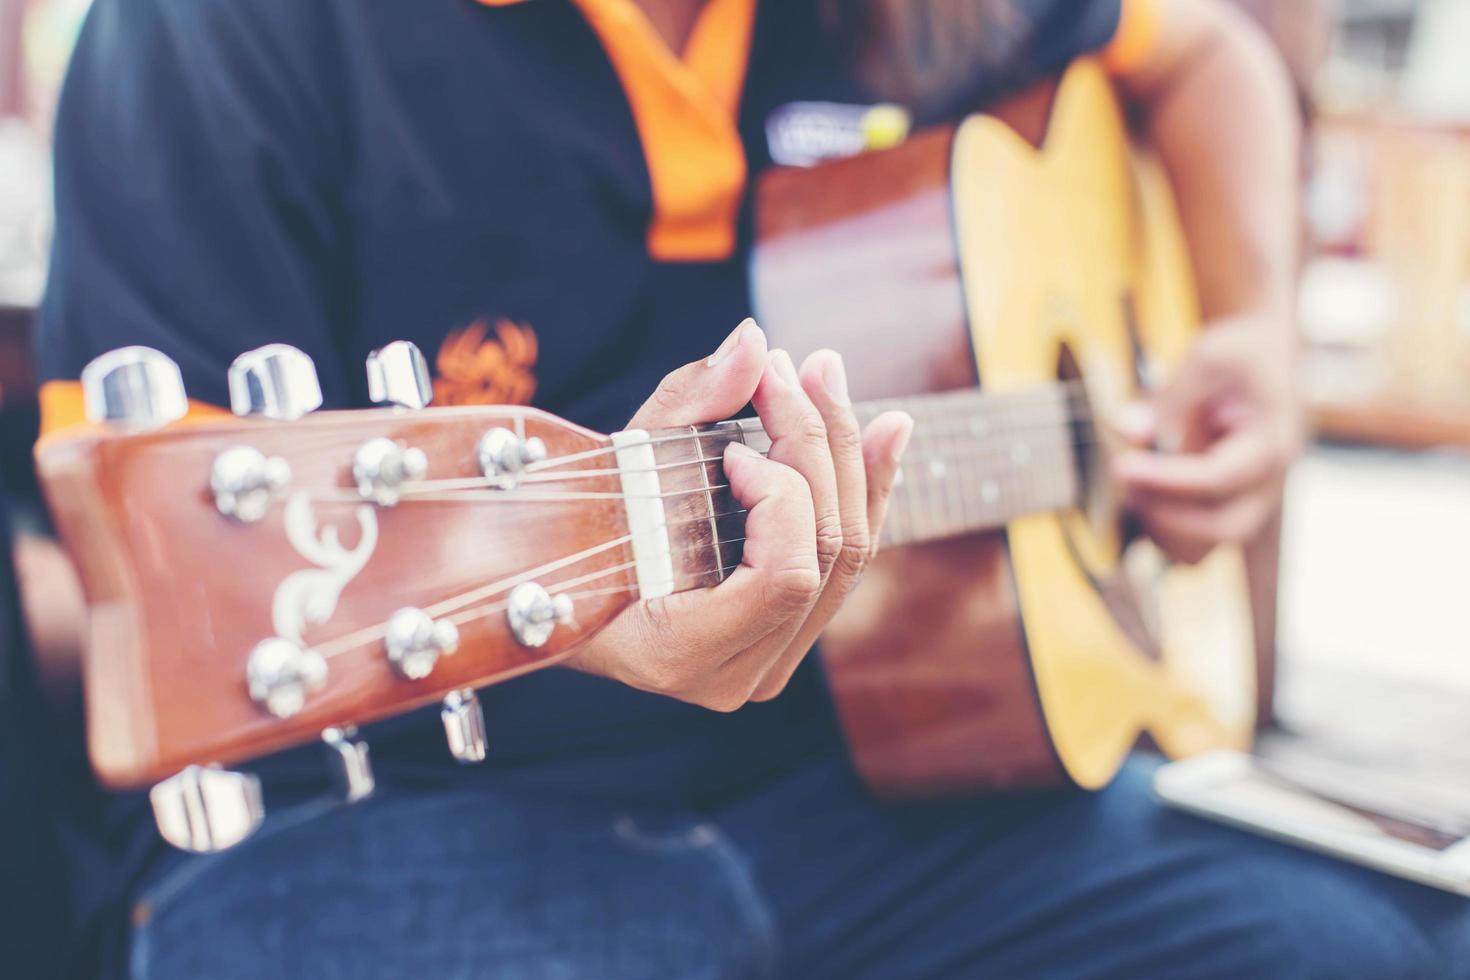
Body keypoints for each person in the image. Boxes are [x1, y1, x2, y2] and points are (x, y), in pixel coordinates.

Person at [35, 0, 1470, 976]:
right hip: (405, 826)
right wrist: (587, 613)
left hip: (912, 789)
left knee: (1388, 940)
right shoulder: (213, 37)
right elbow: (181, 584)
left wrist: (1246, 333)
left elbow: (1208, 52)